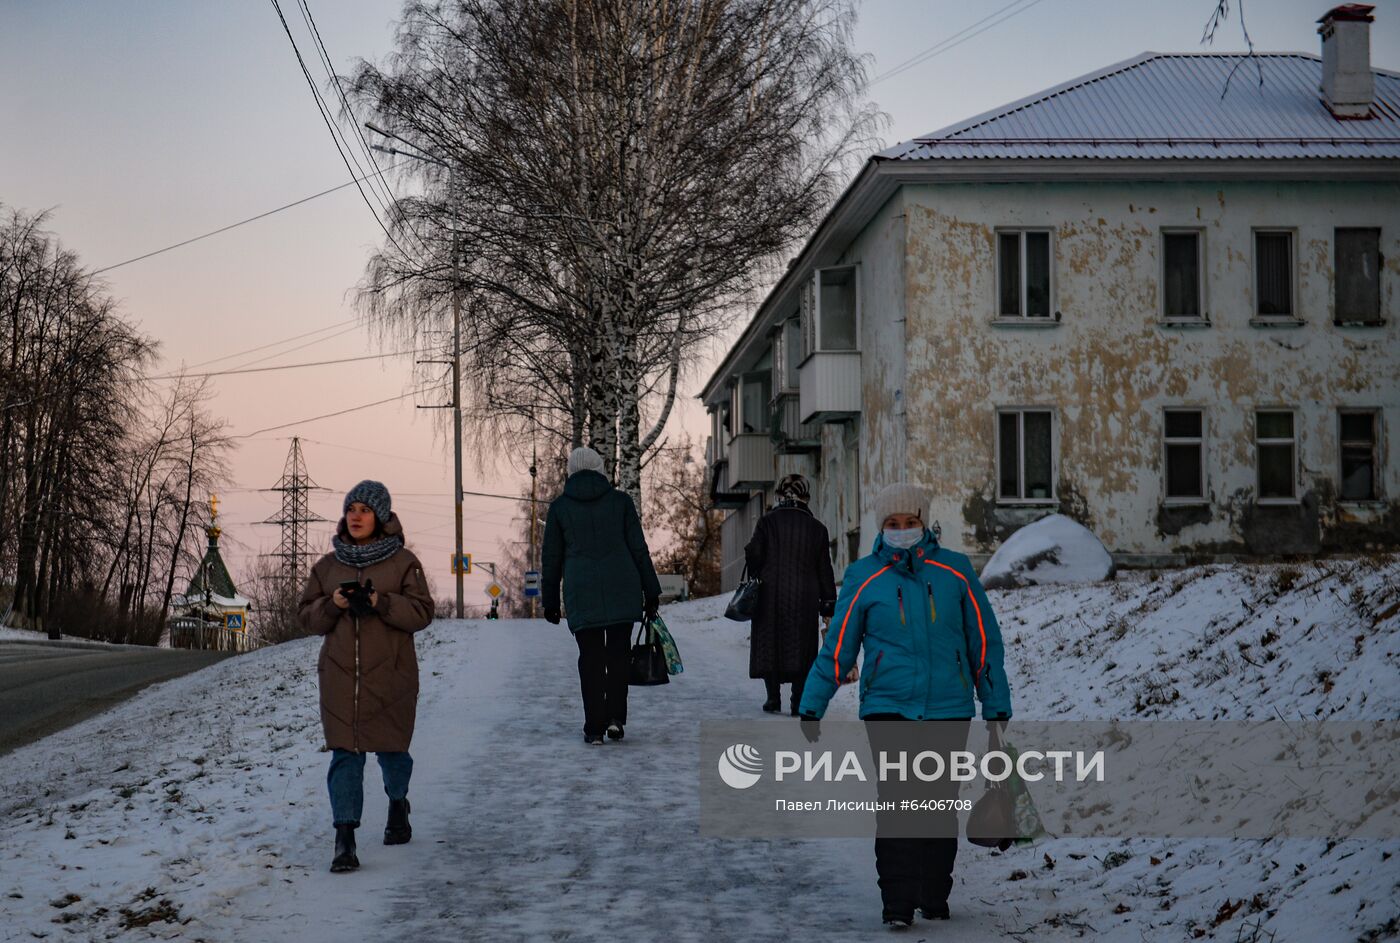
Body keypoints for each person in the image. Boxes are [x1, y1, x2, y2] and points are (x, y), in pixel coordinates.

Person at [797, 482, 1012, 929]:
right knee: (898, 803)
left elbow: (984, 642)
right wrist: (813, 703)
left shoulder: (954, 571)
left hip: (948, 707)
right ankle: (897, 902)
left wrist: (995, 705)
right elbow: (838, 647)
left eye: (909, 522)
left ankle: (933, 894)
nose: (901, 530)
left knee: (937, 802)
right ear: (882, 527)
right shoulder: (864, 576)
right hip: (888, 707)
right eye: (892, 524)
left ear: (923, 523)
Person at [297, 480, 435, 874]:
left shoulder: (404, 563)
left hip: (391, 676)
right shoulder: (327, 567)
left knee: (393, 751)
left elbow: (422, 613)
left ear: (381, 517)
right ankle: (344, 839)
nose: (356, 516)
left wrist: (379, 601)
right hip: (340, 678)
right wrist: (333, 604)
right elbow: (306, 617)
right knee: (345, 755)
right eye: (351, 509)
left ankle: (397, 803)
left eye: (365, 510)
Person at [541, 446, 662, 745]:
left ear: (570, 472)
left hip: (582, 592)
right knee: (619, 655)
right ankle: (615, 719)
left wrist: (550, 601)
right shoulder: (621, 502)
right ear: (600, 469)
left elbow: (552, 558)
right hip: (623, 587)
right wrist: (651, 590)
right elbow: (638, 548)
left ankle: (594, 727)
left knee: (591, 658)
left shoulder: (559, 508)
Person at [743, 473, 836, 715]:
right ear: (806, 497)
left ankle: (773, 698)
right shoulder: (818, 529)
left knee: (770, 644)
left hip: (769, 595)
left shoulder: (766, 522)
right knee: (802, 647)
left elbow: (754, 554)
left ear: (778, 496)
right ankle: (798, 702)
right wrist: (828, 601)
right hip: (805, 598)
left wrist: (757, 566)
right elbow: (824, 567)